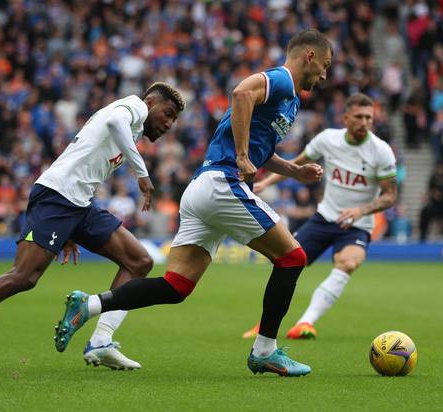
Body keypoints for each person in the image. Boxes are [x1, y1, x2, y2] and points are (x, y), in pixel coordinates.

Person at [52, 28, 331, 377]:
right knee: (293, 258)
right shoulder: (282, 80)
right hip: (222, 184)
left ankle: (89, 305)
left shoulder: (291, 100)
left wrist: (293, 170)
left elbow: (262, 148)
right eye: (324, 65)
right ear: (309, 56)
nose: (324, 74)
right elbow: (241, 93)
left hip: (202, 189)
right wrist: (242, 156)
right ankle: (264, 351)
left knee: (176, 286)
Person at [0, 82, 185, 373]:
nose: (169, 123)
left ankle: (101, 341)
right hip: (56, 198)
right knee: (24, 276)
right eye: (167, 113)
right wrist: (141, 172)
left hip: (79, 204)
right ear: (150, 102)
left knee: (139, 261)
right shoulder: (133, 106)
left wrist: (71, 231)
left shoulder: (133, 129)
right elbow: (113, 121)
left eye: (174, 119)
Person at [242, 93, 398, 340]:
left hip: (357, 225)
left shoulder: (381, 151)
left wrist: (360, 210)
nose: (364, 122)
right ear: (346, 118)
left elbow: (390, 196)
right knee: (287, 262)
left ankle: (305, 323)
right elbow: (298, 164)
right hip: (324, 218)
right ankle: (264, 325)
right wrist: (267, 181)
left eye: (369, 117)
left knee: (347, 263)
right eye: (359, 116)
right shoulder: (328, 140)